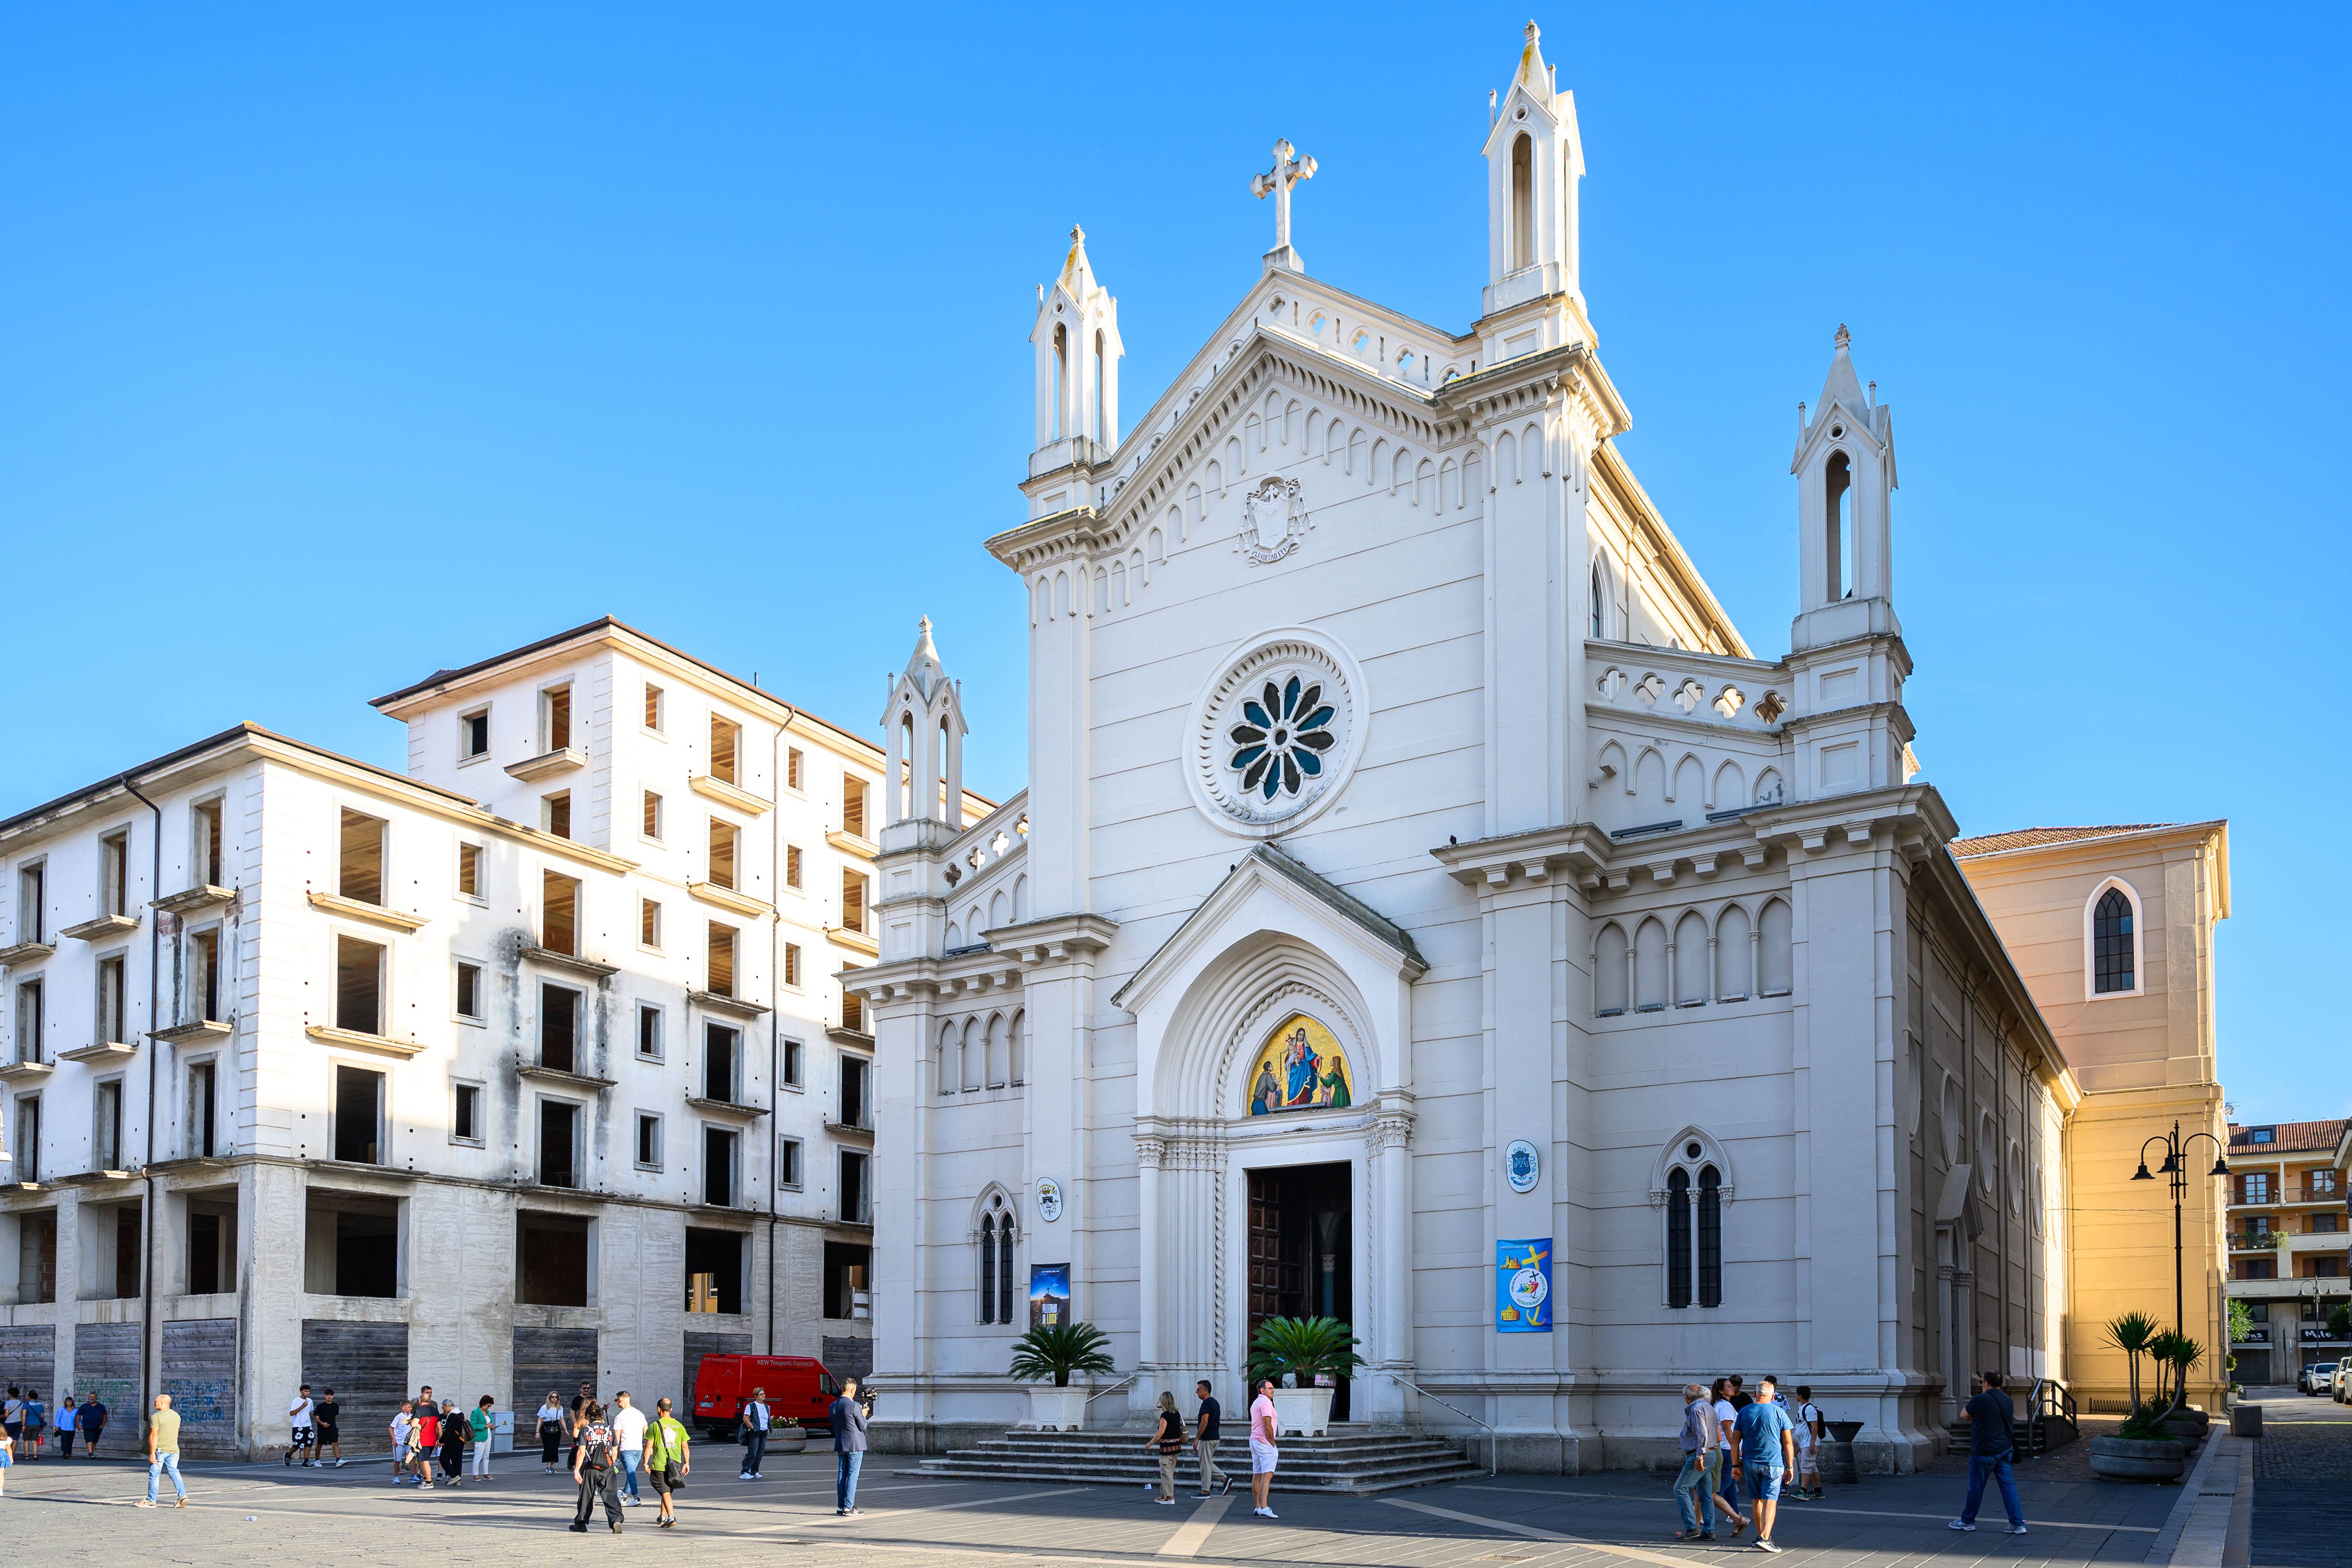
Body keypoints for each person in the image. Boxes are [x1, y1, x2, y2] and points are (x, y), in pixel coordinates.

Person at [1950, 1370, 2026, 1536]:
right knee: (2008, 1487)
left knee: (1976, 1487)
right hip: (2005, 1449)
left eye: (1982, 1382)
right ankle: (2017, 1524)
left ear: (1986, 1383)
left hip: (1984, 1451)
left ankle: (1967, 1521)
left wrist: (1975, 1416)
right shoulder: (2009, 1400)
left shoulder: (1980, 1399)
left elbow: (1964, 1415)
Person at [1733, 1374, 1797, 1553]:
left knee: (1757, 1501)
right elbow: (1788, 1442)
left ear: (1755, 1394)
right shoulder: (1779, 1413)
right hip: (1773, 1463)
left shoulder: (1744, 1412)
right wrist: (1790, 1466)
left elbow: (1735, 1441)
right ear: (1773, 1396)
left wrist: (1735, 1465)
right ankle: (1765, 1538)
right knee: (1771, 1500)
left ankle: (1759, 1535)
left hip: (1750, 1462)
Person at [569, 1400, 624, 1533]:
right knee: (610, 1494)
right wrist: (611, 1462)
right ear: (601, 1416)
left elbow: (582, 1451)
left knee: (586, 1495)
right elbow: (615, 1450)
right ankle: (616, 1520)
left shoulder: (586, 1430)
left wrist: (577, 1470)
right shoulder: (609, 1429)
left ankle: (581, 1523)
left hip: (590, 1467)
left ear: (588, 1417)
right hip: (607, 1467)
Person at [1672, 1382, 1718, 1541]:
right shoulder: (1708, 1406)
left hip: (1701, 1455)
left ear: (1687, 1398)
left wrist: (1699, 1456)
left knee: (1680, 1489)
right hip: (1711, 1453)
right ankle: (1709, 1530)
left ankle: (1692, 1527)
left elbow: (1702, 1434)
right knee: (1705, 1494)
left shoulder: (1696, 1409)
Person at [1709, 1377, 1749, 1539]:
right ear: (1720, 1391)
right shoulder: (1725, 1406)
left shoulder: (1719, 1405)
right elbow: (1727, 1428)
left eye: (1732, 1386)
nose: (1732, 1388)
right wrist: (1735, 1447)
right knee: (1719, 1487)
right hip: (1726, 1449)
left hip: (1724, 1448)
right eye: (1728, 1386)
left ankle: (1734, 1511)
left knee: (1731, 1483)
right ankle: (1733, 1516)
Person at [643, 1397, 692, 1529]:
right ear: (671, 1409)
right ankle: (662, 1517)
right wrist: (687, 1463)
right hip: (675, 1464)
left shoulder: (655, 1426)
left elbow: (648, 1447)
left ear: (659, 1409)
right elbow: (685, 1447)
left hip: (659, 1464)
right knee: (667, 1491)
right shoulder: (680, 1426)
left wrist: (645, 1462)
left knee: (664, 1491)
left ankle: (671, 1517)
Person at [137, 1393, 188, 1509]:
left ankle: (151, 1500)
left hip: (160, 1450)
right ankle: (183, 1496)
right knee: (174, 1472)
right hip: (174, 1449)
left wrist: (152, 1453)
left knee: (154, 1475)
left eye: (156, 1401)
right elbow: (176, 1434)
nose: (154, 1403)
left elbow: (154, 1436)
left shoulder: (156, 1417)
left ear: (162, 1403)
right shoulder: (176, 1416)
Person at [829, 1376, 869, 1515]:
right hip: (855, 1445)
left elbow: (833, 1427)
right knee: (853, 1476)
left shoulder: (833, 1406)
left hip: (841, 1444)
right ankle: (849, 1507)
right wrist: (863, 1414)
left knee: (842, 1475)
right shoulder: (854, 1406)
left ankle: (841, 1507)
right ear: (852, 1390)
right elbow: (863, 1426)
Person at [1143, 1391, 1184, 1505]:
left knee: (1166, 1472)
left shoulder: (1165, 1416)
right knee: (1168, 1472)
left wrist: (1150, 1443)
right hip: (1176, 1448)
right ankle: (1164, 1495)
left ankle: (1169, 1496)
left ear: (1163, 1402)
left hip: (1167, 1448)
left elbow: (1161, 1432)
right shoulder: (1177, 1414)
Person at [1247, 1378, 1280, 1520]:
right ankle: (1264, 1507)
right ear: (1262, 1390)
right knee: (1268, 1474)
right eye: (1270, 1388)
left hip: (1254, 1441)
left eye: (1273, 1388)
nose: (1273, 1390)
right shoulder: (1266, 1403)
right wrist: (1272, 1443)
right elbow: (1268, 1426)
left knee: (1258, 1474)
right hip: (1263, 1442)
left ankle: (1258, 1507)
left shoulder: (1256, 1402)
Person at [1192, 1380, 1231, 1498]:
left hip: (1207, 1438)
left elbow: (1205, 1421)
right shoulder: (1215, 1403)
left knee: (1205, 1464)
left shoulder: (1206, 1404)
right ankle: (1225, 1479)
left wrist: (1197, 1438)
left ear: (1205, 1391)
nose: (1196, 1392)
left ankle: (1205, 1490)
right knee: (1208, 1462)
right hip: (1215, 1437)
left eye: (1199, 1390)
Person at [610, 1391, 646, 1505]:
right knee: (631, 1473)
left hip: (626, 1449)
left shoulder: (619, 1417)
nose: (617, 1403)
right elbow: (647, 1432)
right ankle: (625, 1495)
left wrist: (614, 1455)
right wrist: (649, 1447)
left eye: (617, 1401)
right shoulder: (640, 1414)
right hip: (638, 1448)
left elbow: (616, 1439)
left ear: (621, 1401)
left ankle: (636, 1497)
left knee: (631, 1473)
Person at [1791, 1386, 1823, 1502]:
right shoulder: (1803, 1408)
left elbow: (1815, 1427)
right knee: (1812, 1467)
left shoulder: (1809, 1409)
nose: (1795, 1397)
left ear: (1800, 1396)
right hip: (1804, 1443)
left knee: (1806, 1466)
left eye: (1796, 1395)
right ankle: (1818, 1490)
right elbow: (1803, 1428)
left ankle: (1803, 1490)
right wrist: (1799, 1444)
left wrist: (1812, 1443)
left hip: (1808, 1443)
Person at [738, 1384, 772, 1481]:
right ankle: (744, 1472)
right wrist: (753, 1427)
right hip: (755, 1432)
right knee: (752, 1452)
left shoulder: (767, 1407)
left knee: (760, 1452)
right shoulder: (751, 1406)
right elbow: (746, 1418)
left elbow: (767, 1418)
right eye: (761, 1394)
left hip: (764, 1431)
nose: (763, 1396)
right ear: (756, 1396)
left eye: (764, 1394)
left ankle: (755, 1471)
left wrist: (769, 1427)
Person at [438, 1396, 468, 1486]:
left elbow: (449, 1431)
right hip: (461, 1441)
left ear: (447, 1406)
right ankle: (457, 1479)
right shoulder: (461, 1414)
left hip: (452, 1442)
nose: (443, 1409)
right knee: (457, 1459)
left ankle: (454, 1476)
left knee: (443, 1459)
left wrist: (441, 1440)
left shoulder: (452, 1416)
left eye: (443, 1407)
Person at [287, 1383, 316, 1468]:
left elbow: (310, 1412)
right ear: (301, 1392)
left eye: (309, 1392)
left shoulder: (310, 1401)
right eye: (306, 1391)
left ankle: (306, 1462)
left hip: (307, 1425)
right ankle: (288, 1455)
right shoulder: (296, 1401)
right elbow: (292, 1413)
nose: (308, 1393)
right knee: (297, 1444)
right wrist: (303, 1407)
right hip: (298, 1425)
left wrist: (309, 1420)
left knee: (309, 1442)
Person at [536, 1392, 565, 1472]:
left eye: (556, 1397)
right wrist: (537, 1431)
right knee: (549, 1447)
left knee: (555, 1448)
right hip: (547, 1429)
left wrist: (566, 1430)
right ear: (549, 1398)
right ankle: (548, 1467)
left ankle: (552, 1466)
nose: (554, 1398)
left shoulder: (560, 1408)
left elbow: (562, 1420)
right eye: (553, 1397)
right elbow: (540, 1420)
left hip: (556, 1428)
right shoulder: (545, 1408)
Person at [314, 1388, 344, 1467]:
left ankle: (338, 1460)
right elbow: (317, 1418)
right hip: (322, 1429)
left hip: (332, 1428)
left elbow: (335, 1417)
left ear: (333, 1396)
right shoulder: (320, 1406)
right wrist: (322, 1424)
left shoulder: (336, 1406)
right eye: (328, 1395)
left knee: (335, 1443)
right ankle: (317, 1461)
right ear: (325, 1396)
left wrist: (334, 1426)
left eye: (331, 1395)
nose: (329, 1397)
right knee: (320, 1445)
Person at [469, 1396, 495, 1479]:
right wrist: (485, 1426)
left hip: (488, 1435)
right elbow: (473, 1425)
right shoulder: (475, 1412)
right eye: (488, 1405)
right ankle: (475, 1474)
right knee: (478, 1455)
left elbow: (489, 1422)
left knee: (487, 1455)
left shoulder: (487, 1412)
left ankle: (486, 1473)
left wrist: (491, 1427)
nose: (489, 1407)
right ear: (483, 1404)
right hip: (480, 1436)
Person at [389, 1401, 414, 1484]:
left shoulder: (412, 1417)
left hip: (409, 1442)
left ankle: (413, 1475)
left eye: (411, 1407)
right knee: (398, 1460)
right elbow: (391, 1428)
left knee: (412, 1458)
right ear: (403, 1408)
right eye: (409, 1407)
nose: (411, 1408)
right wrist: (394, 1439)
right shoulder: (399, 1417)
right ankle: (396, 1477)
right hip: (399, 1442)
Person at [77, 1394, 106, 1458]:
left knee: (95, 1441)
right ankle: (91, 1453)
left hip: (98, 1427)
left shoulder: (101, 1406)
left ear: (96, 1398)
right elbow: (78, 1416)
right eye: (91, 1397)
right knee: (89, 1440)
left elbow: (105, 1416)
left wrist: (102, 1425)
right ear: (88, 1398)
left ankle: (91, 1454)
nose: (92, 1398)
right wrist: (78, 1425)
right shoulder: (84, 1406)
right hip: (87, 1427)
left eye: (94, 1397)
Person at [21, 1391, 43, 1460]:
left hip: (28, 1424)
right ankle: (35, 1454)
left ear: (29, 1397)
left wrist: (23, 1425)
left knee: (26, 1440)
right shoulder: (40, 1404)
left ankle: (27, 1455)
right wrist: (41, 1426)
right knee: (35, 1440)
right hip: (37, 1424)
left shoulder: (26, 1404)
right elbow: (42, 1416)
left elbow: (24, 1414)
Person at [53, 1395, 75, 1459]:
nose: (69, 1403)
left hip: (72, 1428)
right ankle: (66, 1453)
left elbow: (77, 1419)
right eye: (67, 1401)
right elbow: (58, 1418)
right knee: (64, 1440)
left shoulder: (75, 1410)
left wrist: (79, 1425)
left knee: (70, 1441)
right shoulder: (61, 1409)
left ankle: (69, 1453)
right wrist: (57, 1426)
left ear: (72, 1402)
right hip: (63, 1428)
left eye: (70, 1401)